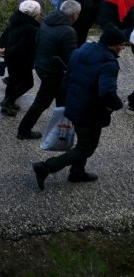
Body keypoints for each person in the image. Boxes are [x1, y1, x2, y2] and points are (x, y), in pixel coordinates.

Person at [33, 24, 126, 190]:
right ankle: (46, 167)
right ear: (112, 44)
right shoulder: (109, 64)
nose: (123, 47)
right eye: (121, 44)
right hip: (91, 112)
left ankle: (77, 172)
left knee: (83, 142)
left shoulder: (82, 50)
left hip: (74, 104)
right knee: (85, 148)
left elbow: (67, 77)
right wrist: (115, 105)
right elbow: (106, 92)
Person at [17, 0, 81, 139]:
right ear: (74, 15)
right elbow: (70, 58)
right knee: (42, 102)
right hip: (54, 72)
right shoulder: (68, 31)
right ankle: (23, 130)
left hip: (42, 65)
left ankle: (62, 129)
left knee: (62, 97)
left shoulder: (47, 21)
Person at [0, 1, 41, 117]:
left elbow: (4, 36)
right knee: (27, 83)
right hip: (22, 60)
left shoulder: (15, 20)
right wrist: (7, 51)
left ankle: (8, 103)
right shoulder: (30, 28)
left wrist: (3, 49)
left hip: (11, 58)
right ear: (33, 14)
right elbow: (22, 46)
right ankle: (8, 102)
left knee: (13, 81)